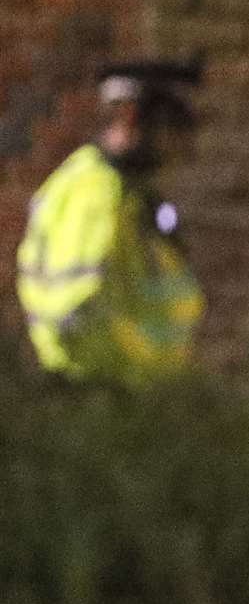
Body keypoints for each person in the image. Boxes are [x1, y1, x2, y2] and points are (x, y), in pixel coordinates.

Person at [16, 59, 206, 387]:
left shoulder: (126, 192)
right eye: (170, 131)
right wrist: (133, 370)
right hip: (101, 388)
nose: (180, 147)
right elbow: (76, 314)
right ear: (132, 118)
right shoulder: (95, 192)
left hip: (131, 388)